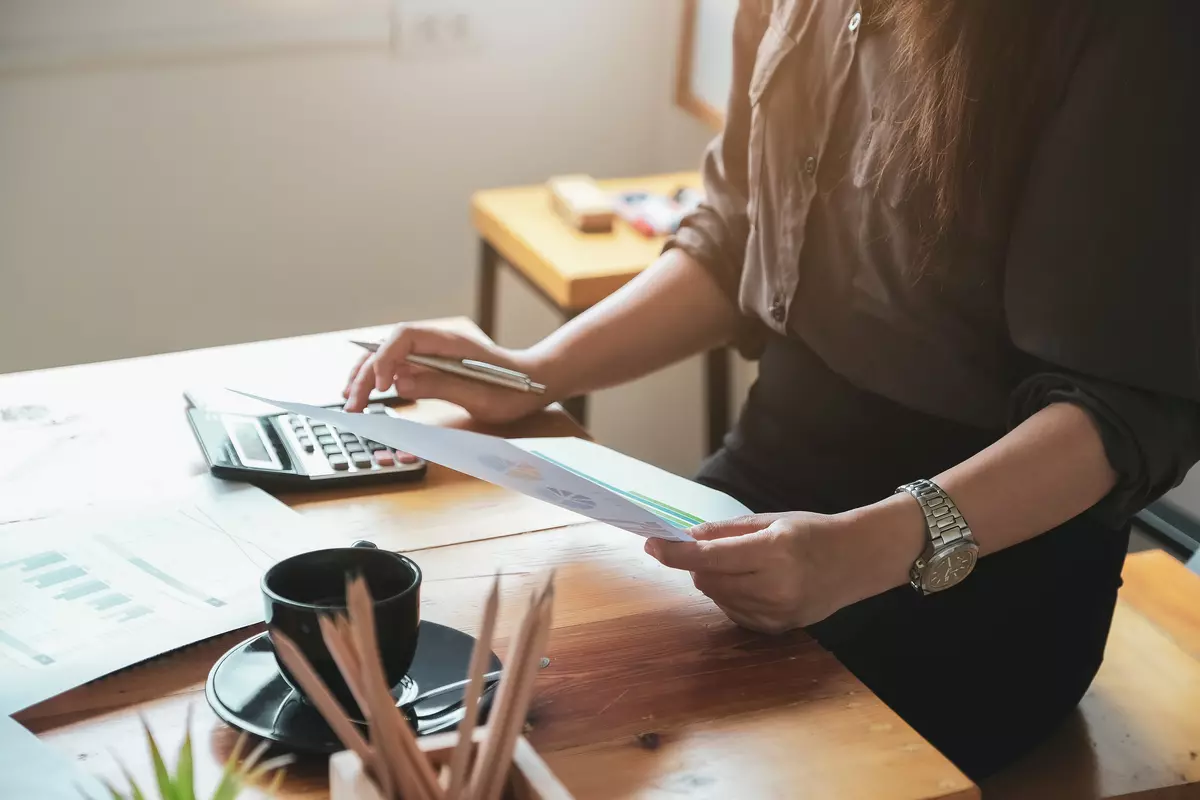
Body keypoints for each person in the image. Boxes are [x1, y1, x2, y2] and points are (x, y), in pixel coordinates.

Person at [344, 0, 1199, 781]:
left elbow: (1123, 408)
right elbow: (734, 241)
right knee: (507, 693)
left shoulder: (1127, 30)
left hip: (985, 576)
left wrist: (857, 552)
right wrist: (534, 371)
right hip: (762, 491)